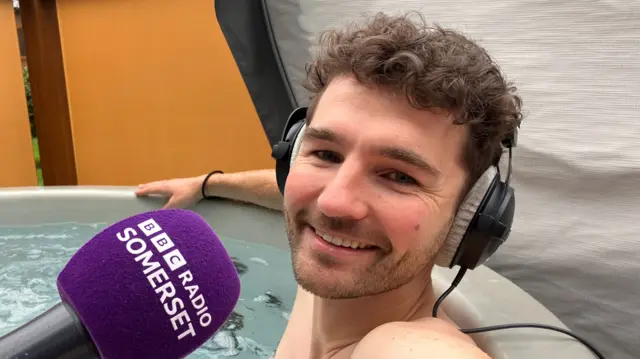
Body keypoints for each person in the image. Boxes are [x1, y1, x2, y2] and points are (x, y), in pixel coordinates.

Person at [136, 11, 522, 359]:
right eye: (326, 155)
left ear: (468, 221)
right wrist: (207, 184)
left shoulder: (404, 347)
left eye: (400, 177)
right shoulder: (330, 266)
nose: (333, 203)